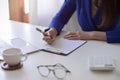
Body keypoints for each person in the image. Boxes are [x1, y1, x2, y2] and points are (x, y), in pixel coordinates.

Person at [42, 0, 120, 44]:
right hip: (87, 47)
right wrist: (53, 30)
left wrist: (92, 35)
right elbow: (61, 17)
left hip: (114, 47)